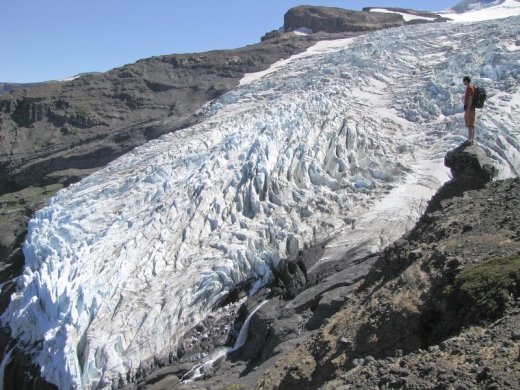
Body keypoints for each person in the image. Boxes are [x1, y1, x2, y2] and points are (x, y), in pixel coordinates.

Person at [463, 75, 476, 145]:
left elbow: (470, 98)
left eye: (464, 81)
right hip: (471, 108)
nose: (463, 82)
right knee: (471, 124)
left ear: (466, 81)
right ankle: (471, 139)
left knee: (470, 124)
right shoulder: (471, 87)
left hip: (470, 109)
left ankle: (470, 139)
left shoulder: (470, 88)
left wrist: (468, 108)